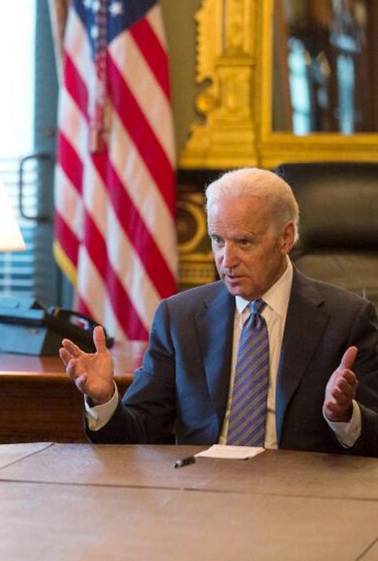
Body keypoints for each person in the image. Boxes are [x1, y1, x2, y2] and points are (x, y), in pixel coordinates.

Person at [60, 167, 378, 455]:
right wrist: (104, 400)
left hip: (300, 497)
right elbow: (140, 431)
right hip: (203, 495)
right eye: (217, 240)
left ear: (286, 238)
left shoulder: (347, 320)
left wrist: (346, 417)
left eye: (244, 241)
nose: (226, 259)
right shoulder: (179, 317)